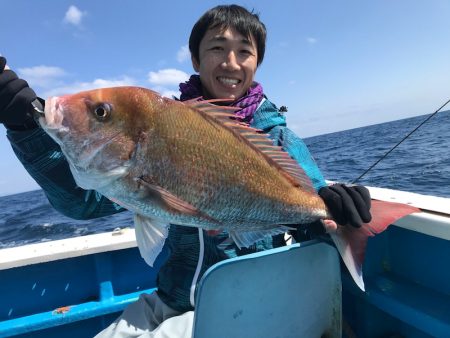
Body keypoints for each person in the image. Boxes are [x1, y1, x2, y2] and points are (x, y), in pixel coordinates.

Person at [0, 4, 371, 338]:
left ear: (257, 62)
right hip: (176, 300)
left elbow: (311, 199)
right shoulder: (163, 129)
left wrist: (333, 206)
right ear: (195, 59)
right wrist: (24, 127)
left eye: (245, 51)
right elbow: (83, 203)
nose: (231, 62)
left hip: (255, 294)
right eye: (217, 48)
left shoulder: (277, 137)